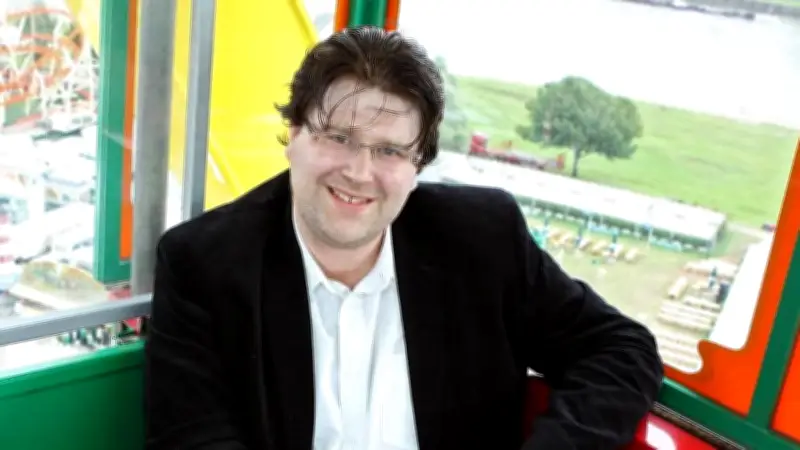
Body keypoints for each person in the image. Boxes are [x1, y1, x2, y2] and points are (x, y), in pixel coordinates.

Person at [144, 26, 663, 450]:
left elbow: (620, 348)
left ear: (418, 167)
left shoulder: (483, 240)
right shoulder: (204, 262)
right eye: (339, 138)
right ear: (294, 135)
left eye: (390, 151)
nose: (359, 172)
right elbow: (191, 438)